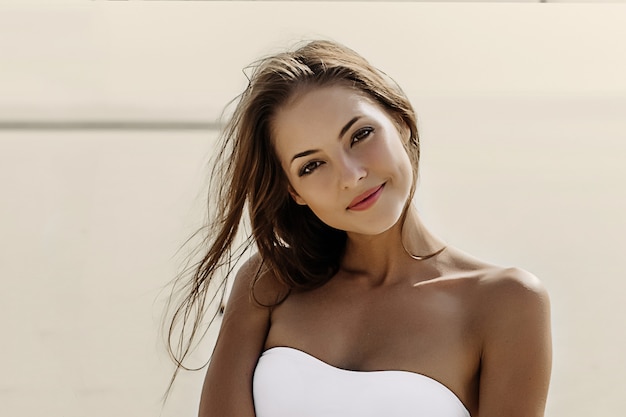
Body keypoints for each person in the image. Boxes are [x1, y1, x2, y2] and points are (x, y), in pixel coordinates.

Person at [166, 39, 552, 417]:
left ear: (399, 122)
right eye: (311, 165)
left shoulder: (505, 302)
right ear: (294, 191)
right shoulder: (269, 283)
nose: (351, 176)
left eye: (360, 135)